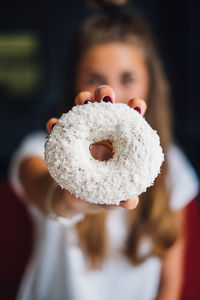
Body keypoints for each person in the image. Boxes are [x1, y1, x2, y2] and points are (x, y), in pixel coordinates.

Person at [9, 1, 199, 299]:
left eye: (128, 78)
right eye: (95, 78)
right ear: (75, 81)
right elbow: (39, 185)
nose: (114, 91)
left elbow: (168, 285)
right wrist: (66, 199)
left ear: (150, 83)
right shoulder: (39, 149)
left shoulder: (172, 167)